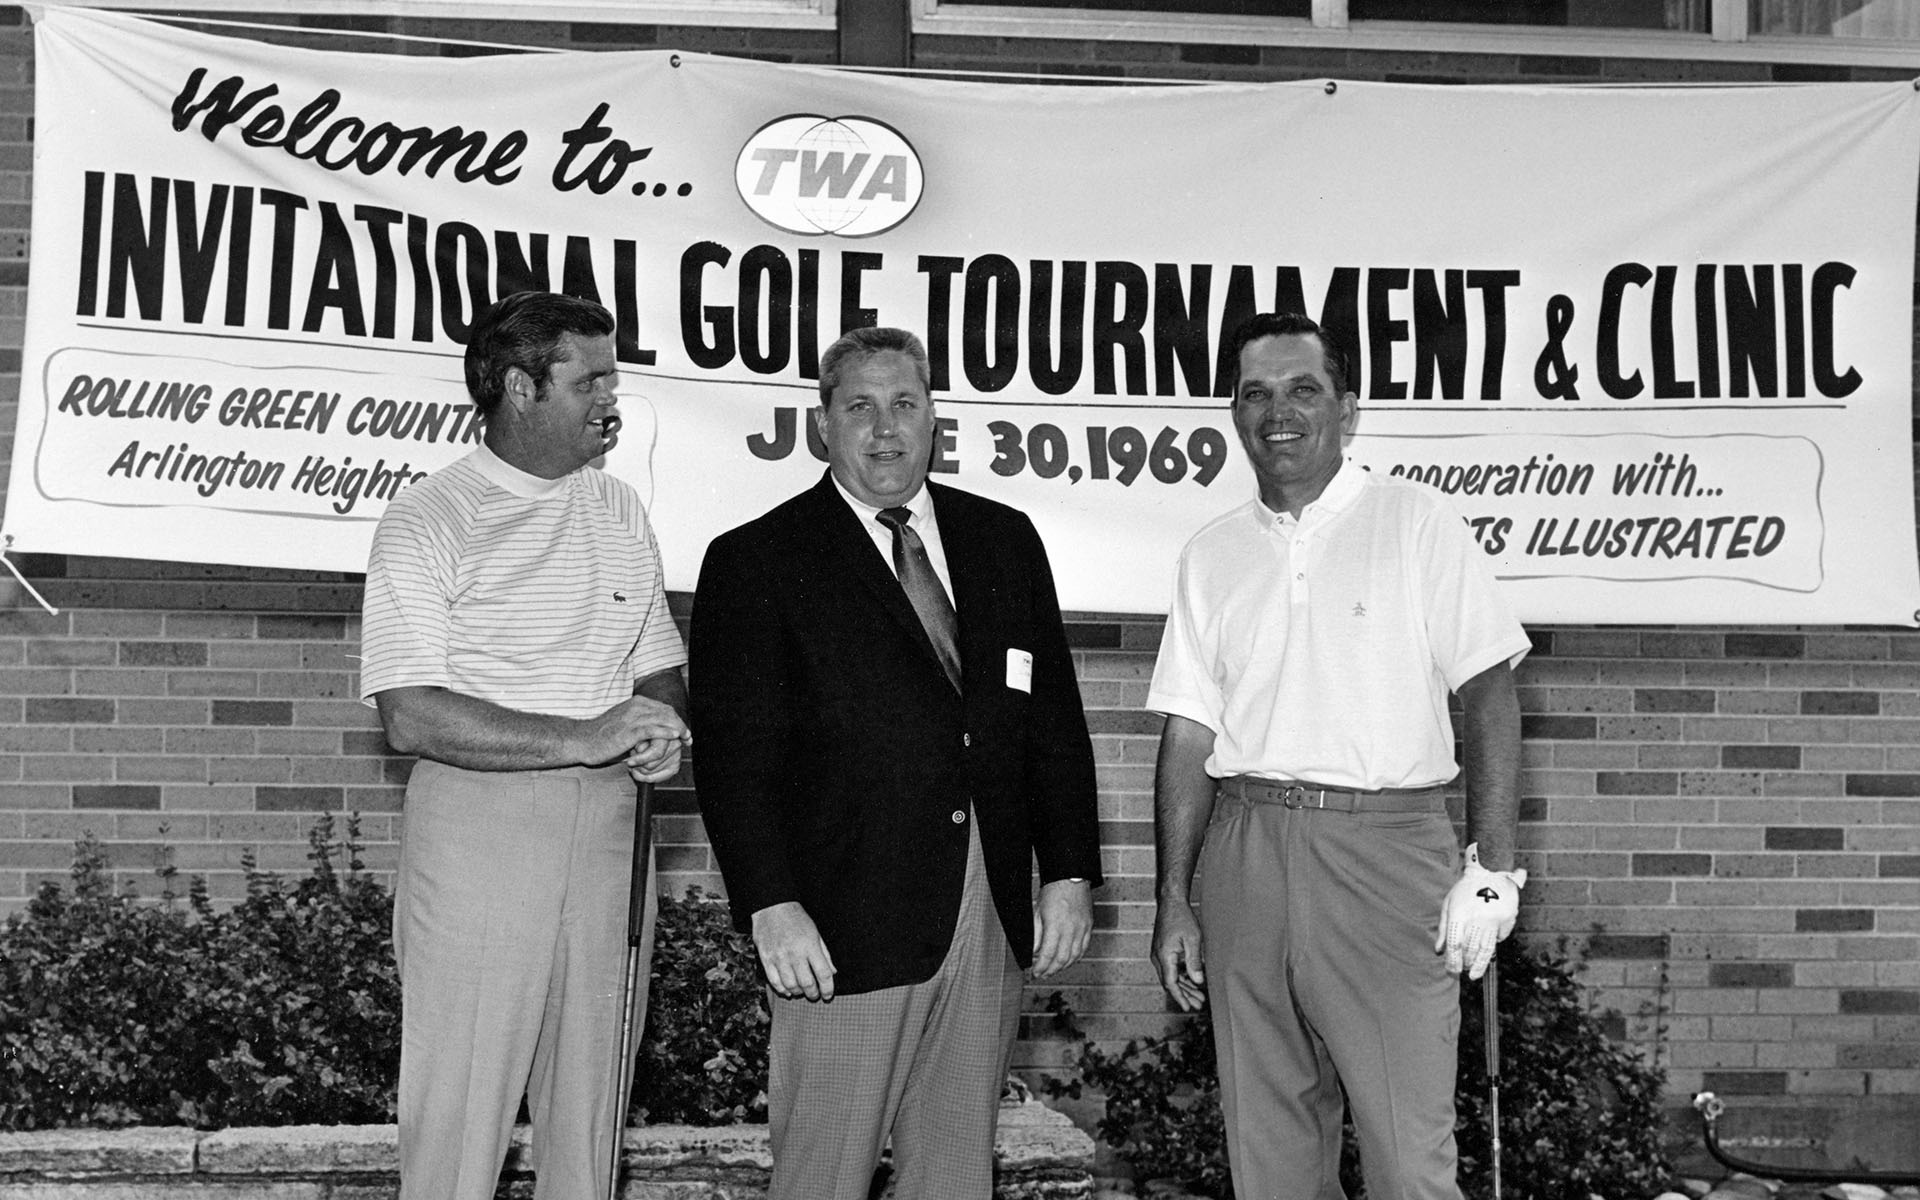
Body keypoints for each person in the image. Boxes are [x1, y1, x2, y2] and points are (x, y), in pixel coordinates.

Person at [690, 325, 1103, 1200]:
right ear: (823, 425)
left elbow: (1054, 721)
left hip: (986, 911)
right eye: (861, 408)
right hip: (840, 928)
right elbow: (734, 760)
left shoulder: (1003, 540)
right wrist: (770, 903)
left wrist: (1068, 872)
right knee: (821, 1179)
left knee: (954, 1176)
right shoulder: (756, 559)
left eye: (905, 405)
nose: (886, 429)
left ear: (933, 420)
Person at [1146, 312, 1532, 1200]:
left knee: (1407, 1160)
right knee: (1269, 1157)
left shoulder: (1418, 523)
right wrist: (1173, 898)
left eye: (1302, 389)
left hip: (1384, 856)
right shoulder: (1211, 554)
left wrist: (1494, 869)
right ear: (1235, 414)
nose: (1277, 411)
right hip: (1245, 852)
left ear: (1347, 410)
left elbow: (1490, 694)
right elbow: (1189, 733)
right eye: (1255, 394)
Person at [359, 290, 690, 1200]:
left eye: (612, 380)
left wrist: (660, 725)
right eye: (590, 382)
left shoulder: (620, 507)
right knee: (459, 1119)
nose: (611, 401)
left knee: (591, 1116)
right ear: (519, 386)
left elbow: (658, 666)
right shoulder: (429, 518)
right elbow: (410, 715)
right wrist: (589, 735)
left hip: (611, 831)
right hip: (481, 831)